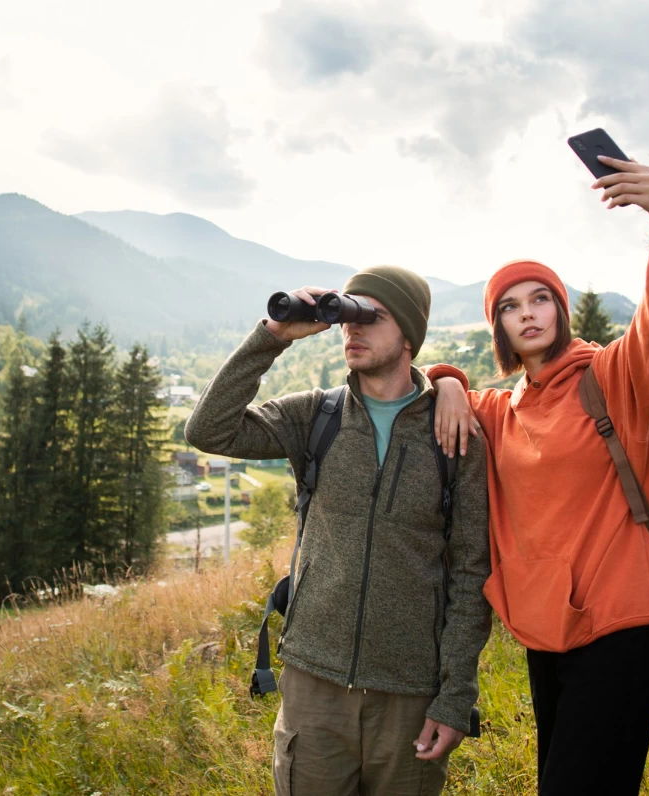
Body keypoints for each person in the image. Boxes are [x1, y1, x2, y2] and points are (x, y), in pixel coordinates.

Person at [427, 155, 649, 795]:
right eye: (510, 307)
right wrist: (446, 380)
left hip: (623, 632)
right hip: (548, 637)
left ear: (561, 310)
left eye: (541, 300)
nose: (528, 314)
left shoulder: (613, 378)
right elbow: (430, 392)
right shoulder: (501, 412)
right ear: (497, 325)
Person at [184, 265, 492, 796]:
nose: (353, 327)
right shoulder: (316, 416)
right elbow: (208, 429)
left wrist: (454, 697)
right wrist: (273, 337)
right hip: (313, 685)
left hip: (409, 693)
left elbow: (471, 573)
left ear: (409, 336)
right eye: (348, 313)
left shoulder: (454, 436)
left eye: (372, 316)